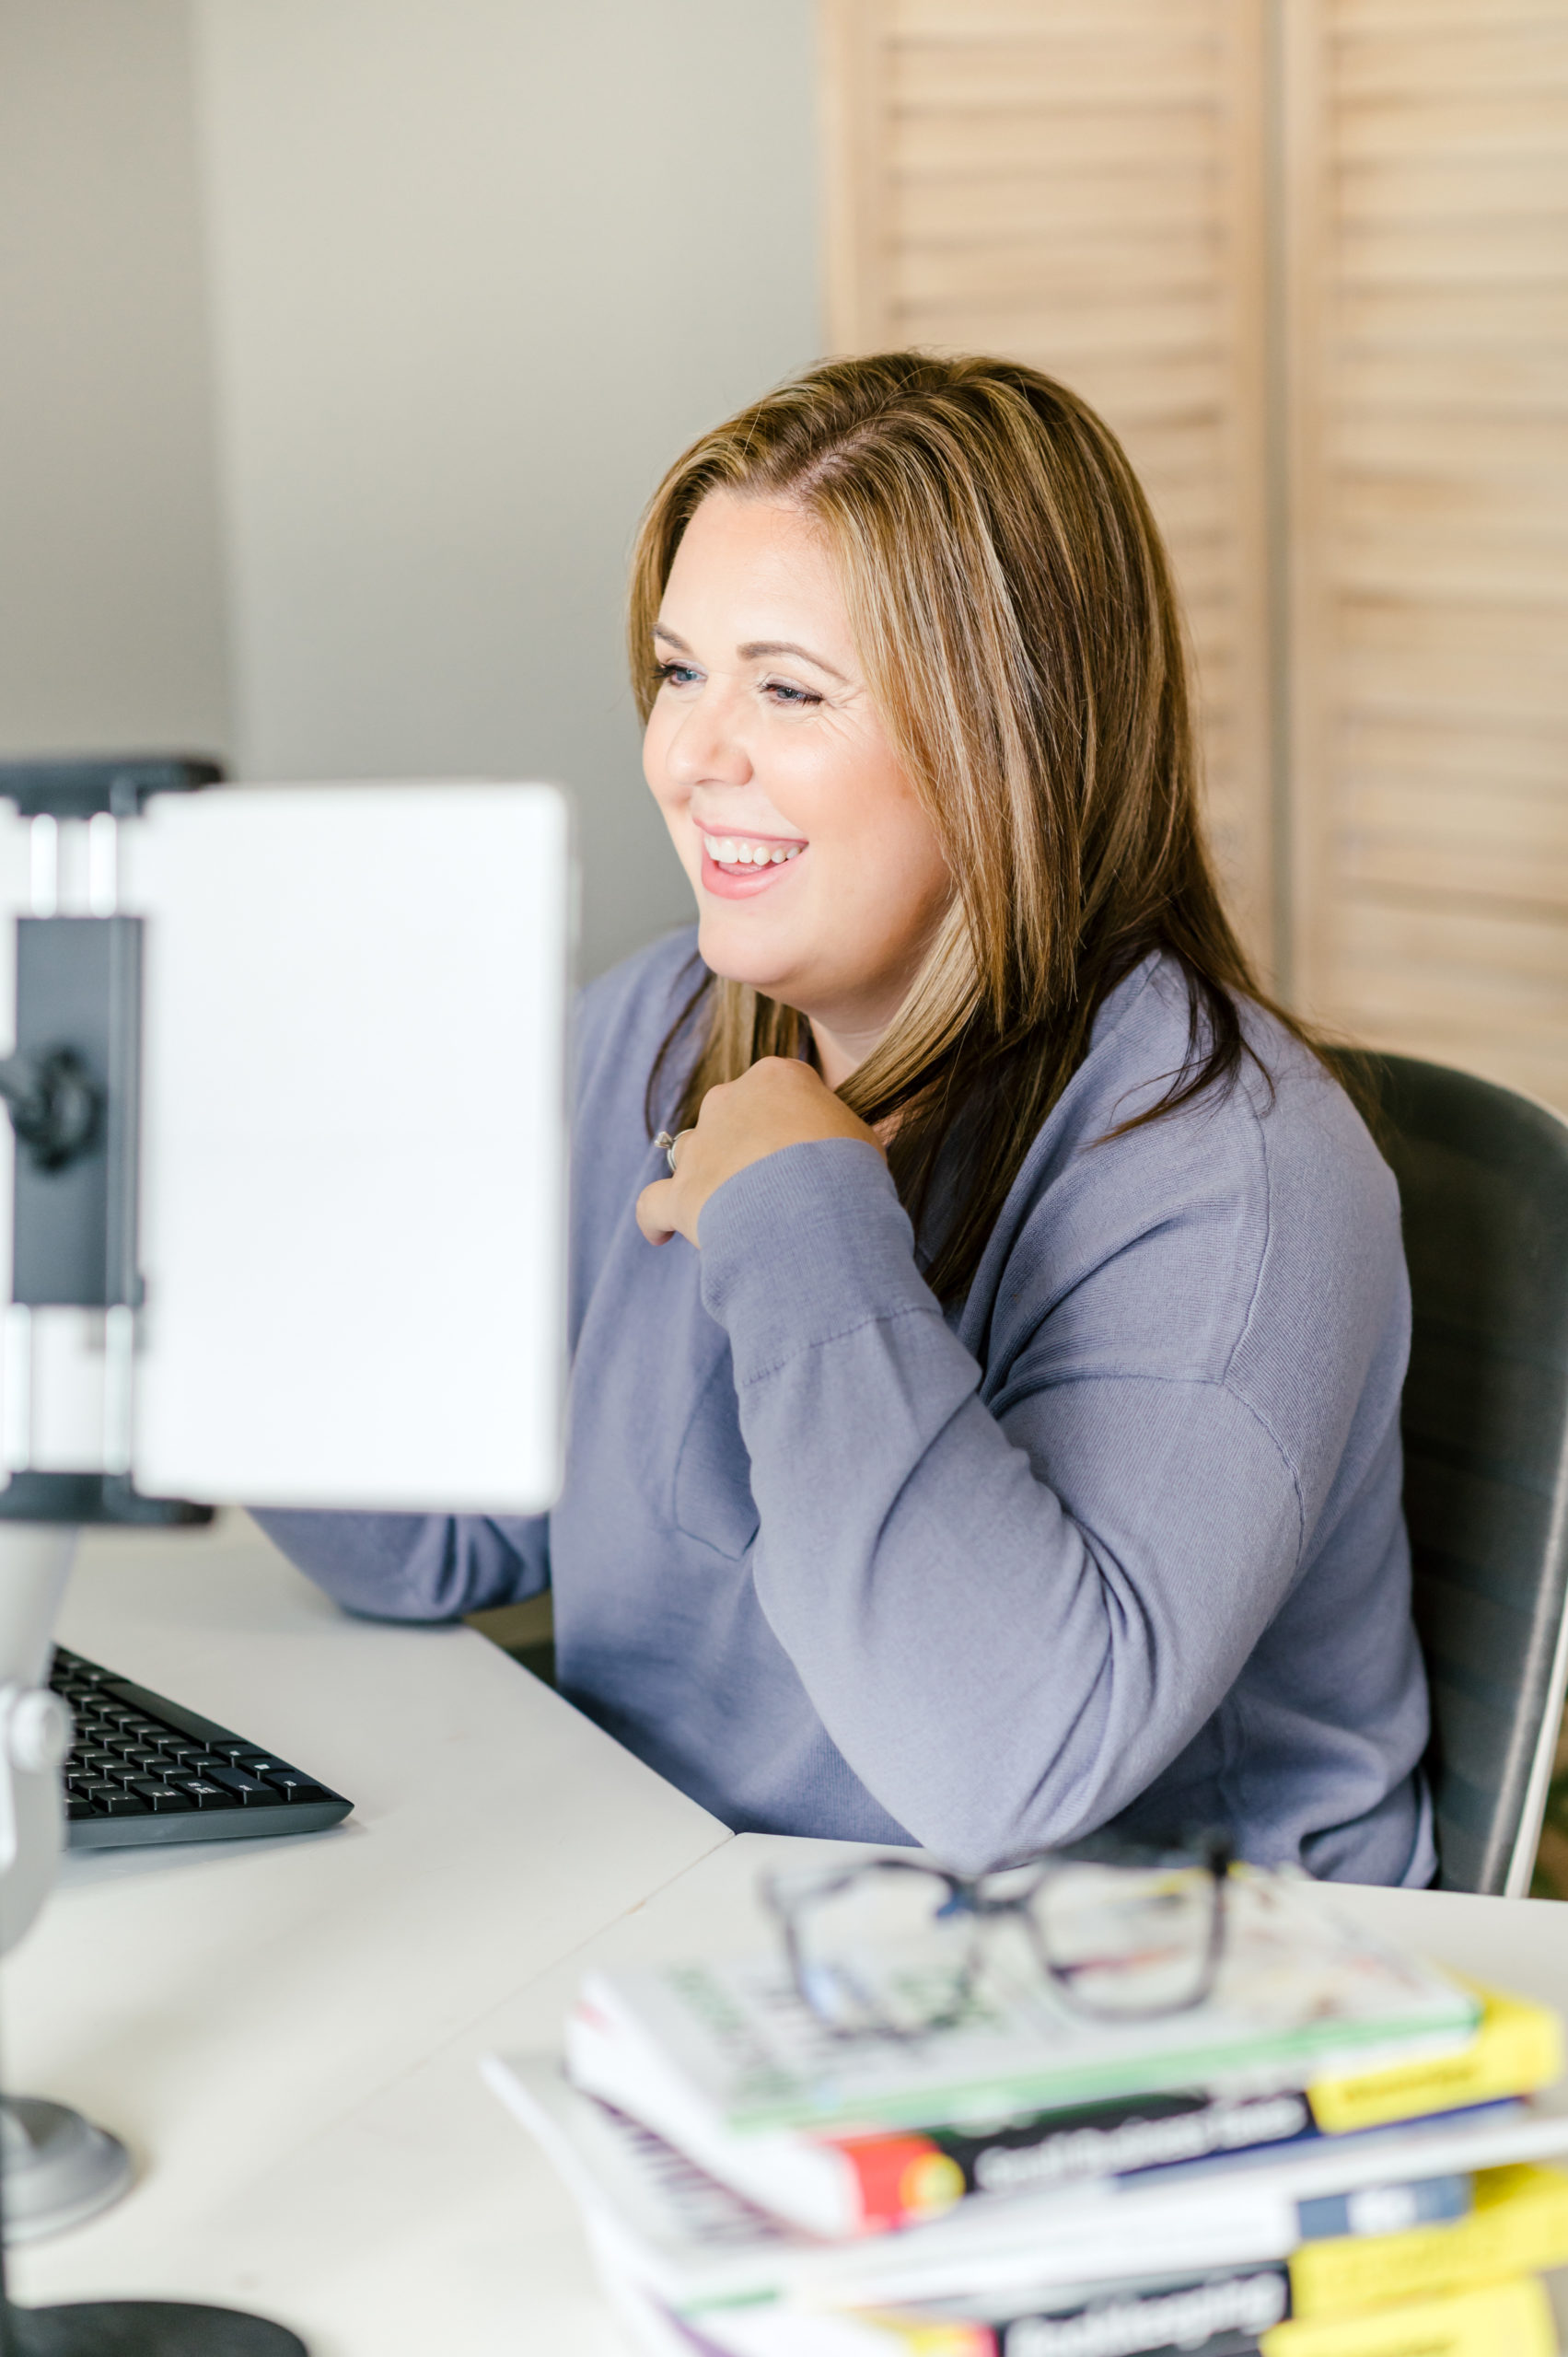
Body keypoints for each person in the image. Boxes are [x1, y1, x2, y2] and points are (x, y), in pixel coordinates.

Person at [258, 353, 1434, 1885]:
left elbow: (1004, 1759)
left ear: (1010, 741)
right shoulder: (662, 1026)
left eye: (789, 690)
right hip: (687, 1922)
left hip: (1143, 2021)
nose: (691, 758)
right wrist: (171, 1228)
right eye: (682, 672)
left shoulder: (1236, 1172)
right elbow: (439, 1541)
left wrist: (800, 1219)